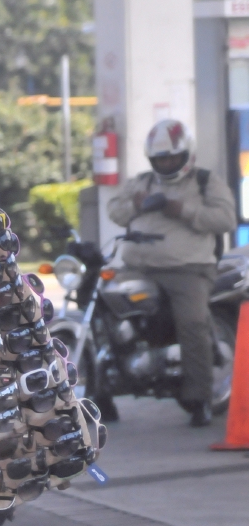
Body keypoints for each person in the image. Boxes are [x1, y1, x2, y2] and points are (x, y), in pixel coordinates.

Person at [106, 118, 236, 427]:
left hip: (187, 269)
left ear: (185, 154)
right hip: (137, 267)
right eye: (160, 158)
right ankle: (104, 390)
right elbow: (115, 209)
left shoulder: (205, 182)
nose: (166, 163)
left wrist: (183, 210)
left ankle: (200, 398)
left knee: (192, 322)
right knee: (105, 307)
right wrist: (136, 206)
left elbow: (226, 219)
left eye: (171, 157)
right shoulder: (143, 182)